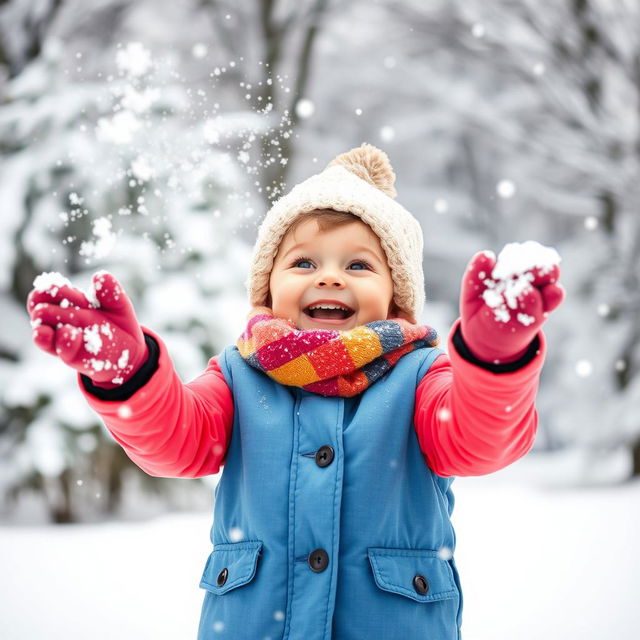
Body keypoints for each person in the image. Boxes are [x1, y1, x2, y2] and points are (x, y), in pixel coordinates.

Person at [26, 143, 565, 640]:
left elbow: (479, 438)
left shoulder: (421, 378)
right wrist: (130, 377)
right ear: (268, 289)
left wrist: (495, 359)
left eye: (358, 265)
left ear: (397, 299)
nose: (329, 278)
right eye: (304, 262)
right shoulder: (239, 375)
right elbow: (177, 441)